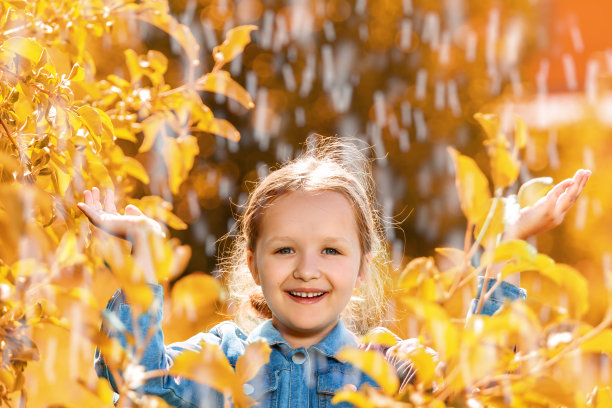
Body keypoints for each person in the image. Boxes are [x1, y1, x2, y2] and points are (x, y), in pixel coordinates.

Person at [78, 137, 590, 407]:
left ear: (364, 268)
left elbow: (479, 375)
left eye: (330, 251)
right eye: (283, 251)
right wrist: (141, 256)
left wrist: (509, 247)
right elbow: (136, 382)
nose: (306, 270)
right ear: (253, 264)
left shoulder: (386, 369)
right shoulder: (222, 360)